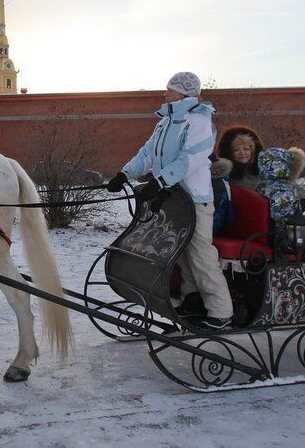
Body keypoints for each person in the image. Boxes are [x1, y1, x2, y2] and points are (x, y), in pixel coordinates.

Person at [106, 71, 233, 330]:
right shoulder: (165, 122)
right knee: (182, 253)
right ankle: (193, 300)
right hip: (173, 198)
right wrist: (125, 173)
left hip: (195, 199)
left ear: (183, 93)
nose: (165, 93)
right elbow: (148, 153)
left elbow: (192, 158)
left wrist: (161, 180)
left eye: (169, 89)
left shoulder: (199, 121)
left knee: (200, 254)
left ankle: (221, 312)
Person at [217, 125, 264, 190]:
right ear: (229, 153)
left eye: (246, 149)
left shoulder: (263, 173)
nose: (242, 153)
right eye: (236, 150)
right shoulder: (224, 177)